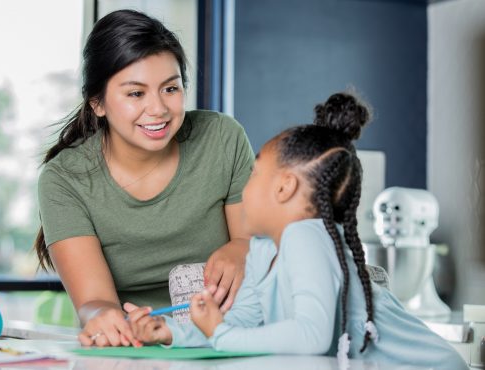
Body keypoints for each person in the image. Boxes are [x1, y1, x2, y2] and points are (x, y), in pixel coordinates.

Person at [126, 92, 468, 370]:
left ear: (284, 188)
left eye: (255, 173)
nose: (245, 186)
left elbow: (312, 336)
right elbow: (240, 327)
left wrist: (219, 333)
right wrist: (171, 332)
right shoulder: (262, 250)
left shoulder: (307, 237)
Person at [34, 9, 254, 348]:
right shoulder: (64, 180)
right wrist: (101, 317)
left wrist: (241, 249)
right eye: (136, 93)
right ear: (97, 102)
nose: (158, 109)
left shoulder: (222, 138)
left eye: (170, 88)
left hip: (226, 337)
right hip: (137, 346)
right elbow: (94, 301)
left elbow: (255, 243)